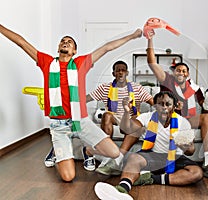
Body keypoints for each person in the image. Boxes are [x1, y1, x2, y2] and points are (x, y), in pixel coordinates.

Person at [0, 23, 142, 182]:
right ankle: (57, 151)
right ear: (58, 48)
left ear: (74, 51)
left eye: (69, 42)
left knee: (115, 153)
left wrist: (132, 36)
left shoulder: (82, 63)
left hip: (81, 121)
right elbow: (22, 42)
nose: (65, 42)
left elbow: (107, 47)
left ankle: (88, 151)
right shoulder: (47, 62)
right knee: (68, 177)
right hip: (58, 126)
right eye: (62, 41)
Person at [94, 91, 203, 200]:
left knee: (196, 173)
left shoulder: (182, 122)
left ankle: (151, 178)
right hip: (153, 155)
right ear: (155, 106)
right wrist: (127, 112)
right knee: (133, 158)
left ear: (174, 107)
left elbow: (191, 151)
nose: (164, 107)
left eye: (168, 104)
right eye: (160, 104)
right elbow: (126, 130)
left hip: (175, 157)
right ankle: (122, 189)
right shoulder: (147, 117)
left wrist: (184, 144)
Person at [146, 37, 208, 181]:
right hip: (170, 120)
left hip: (187, 120)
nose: (180, 73)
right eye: (178, 70)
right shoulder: (167, 81)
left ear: (187, 74)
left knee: (205, 118)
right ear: (174, 72)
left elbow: (204, 105)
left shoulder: (194, 88)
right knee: (187, 146)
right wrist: (150, 40)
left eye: (183, 71)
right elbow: (151, 63)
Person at [85, 60, 154, 174]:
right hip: (114, 116)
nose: (121, 73)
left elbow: (153, 102)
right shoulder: (105, 88)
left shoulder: (137, 88)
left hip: (131, 117)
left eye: (123, 70)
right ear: (114, 73)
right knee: (106, 115)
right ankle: (108, 153)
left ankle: (116, 159)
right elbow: (87, 99)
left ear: (127, 73)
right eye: (118, 71)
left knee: (136, 125)